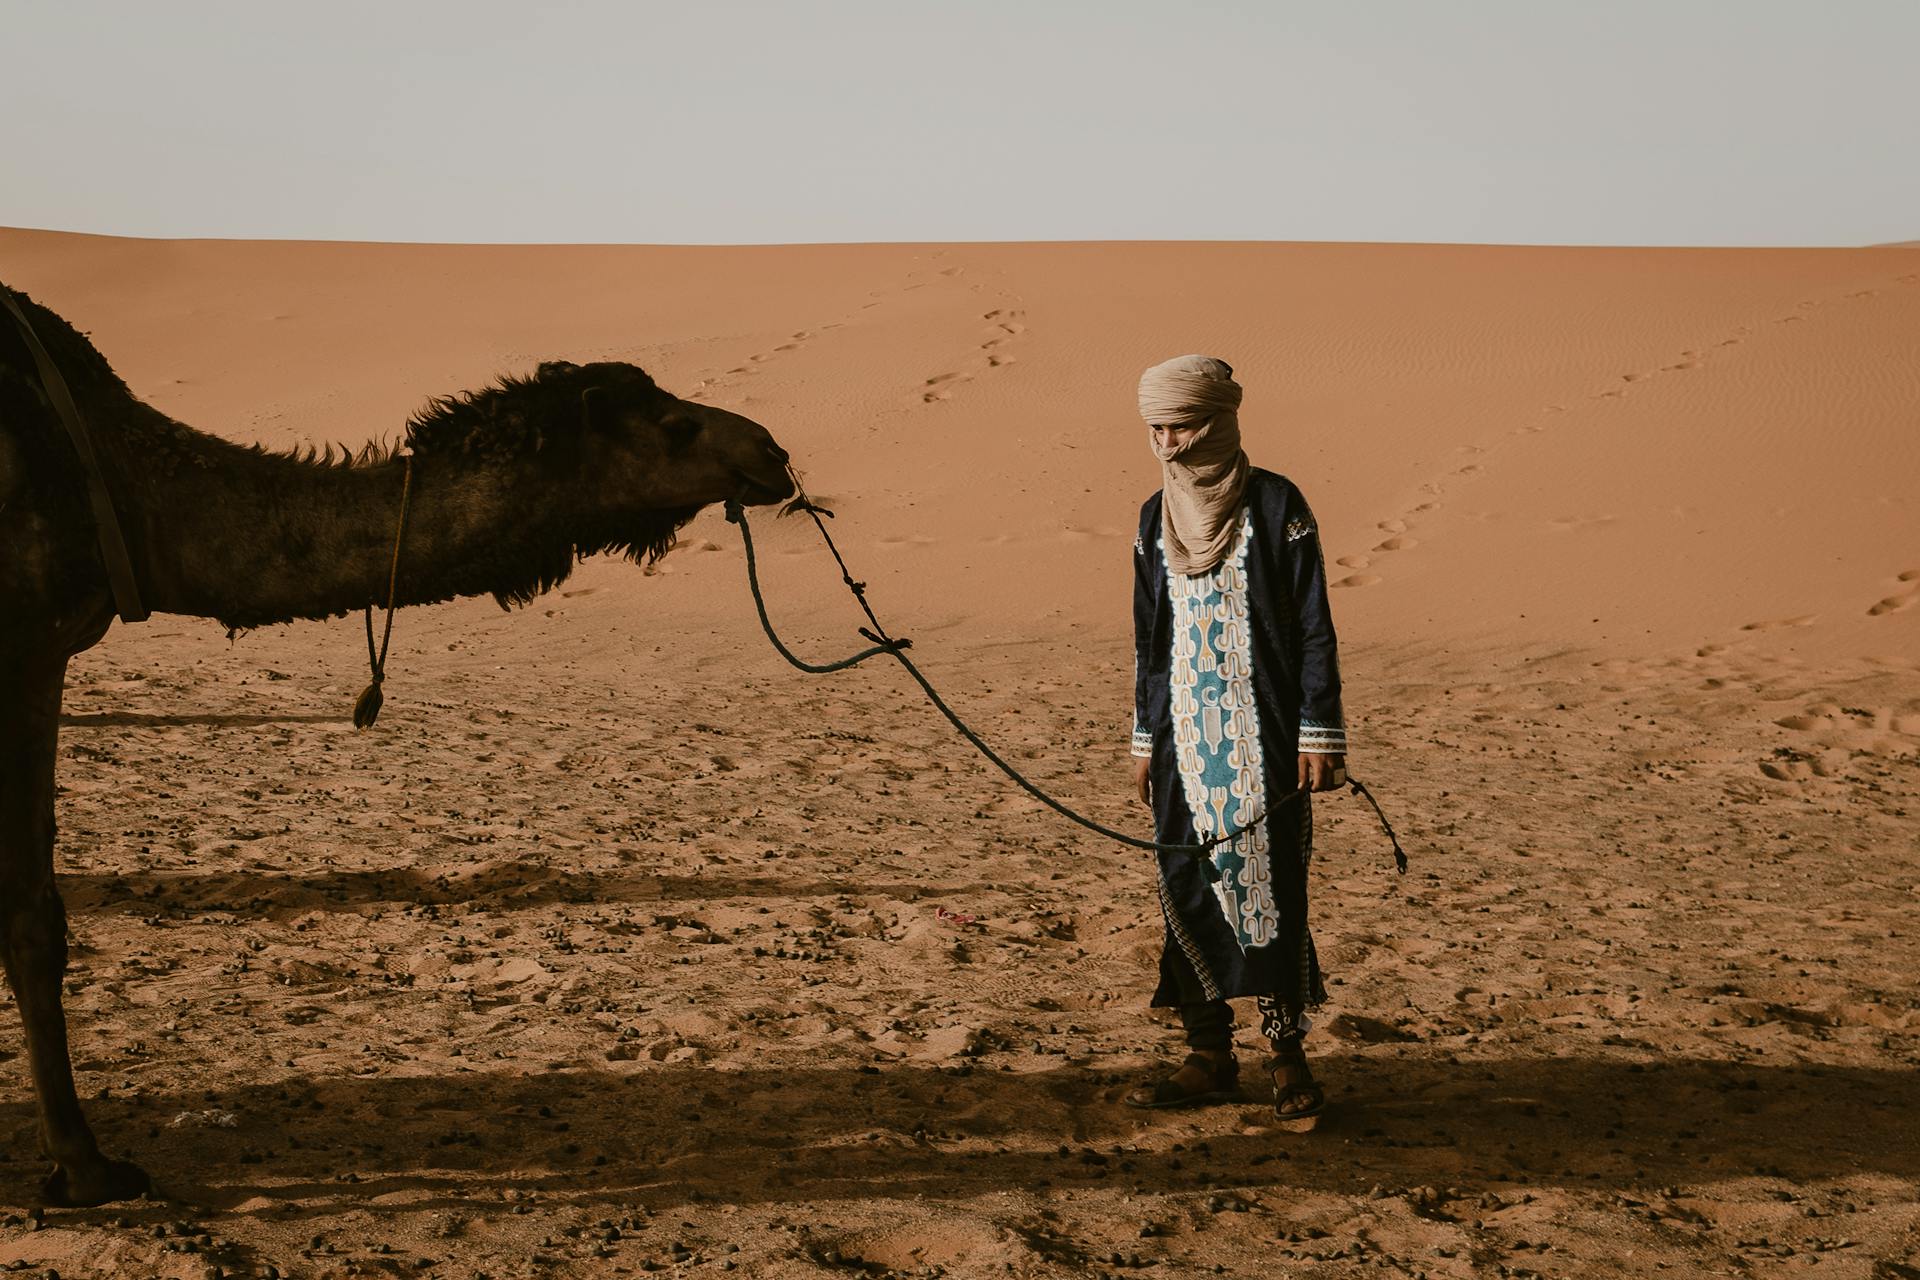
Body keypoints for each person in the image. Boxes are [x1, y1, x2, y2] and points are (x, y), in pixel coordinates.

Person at [1122, 354, 1347, 1124]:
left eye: (1180, 424)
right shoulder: (1154, 518)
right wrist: (1145, 739)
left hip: (1270, 737)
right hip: (1182, 739)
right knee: (1187, 885)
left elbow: (1315, 626)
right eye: (1156, 427)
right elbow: (1149, 639)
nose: (1167, 442)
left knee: (1272, 888)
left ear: (1216, 421)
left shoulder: (1278, 504)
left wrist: (1321, 734)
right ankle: (1208, 1056)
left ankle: (1287, 1058)